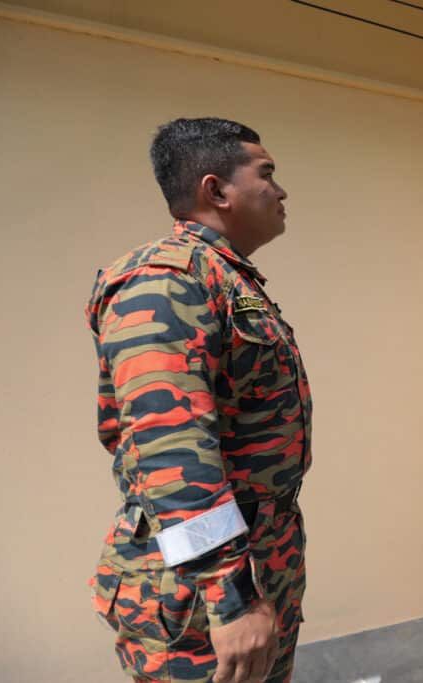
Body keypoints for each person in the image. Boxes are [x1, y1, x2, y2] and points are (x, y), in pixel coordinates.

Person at [85, 117, 312, 683]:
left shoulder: (227, 278)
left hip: (261, 556)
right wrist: (231, 597)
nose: (281, 190)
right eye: (266, 174)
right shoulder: (164, 280)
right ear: (216, 190)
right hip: (198, 594)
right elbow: (171, 449)